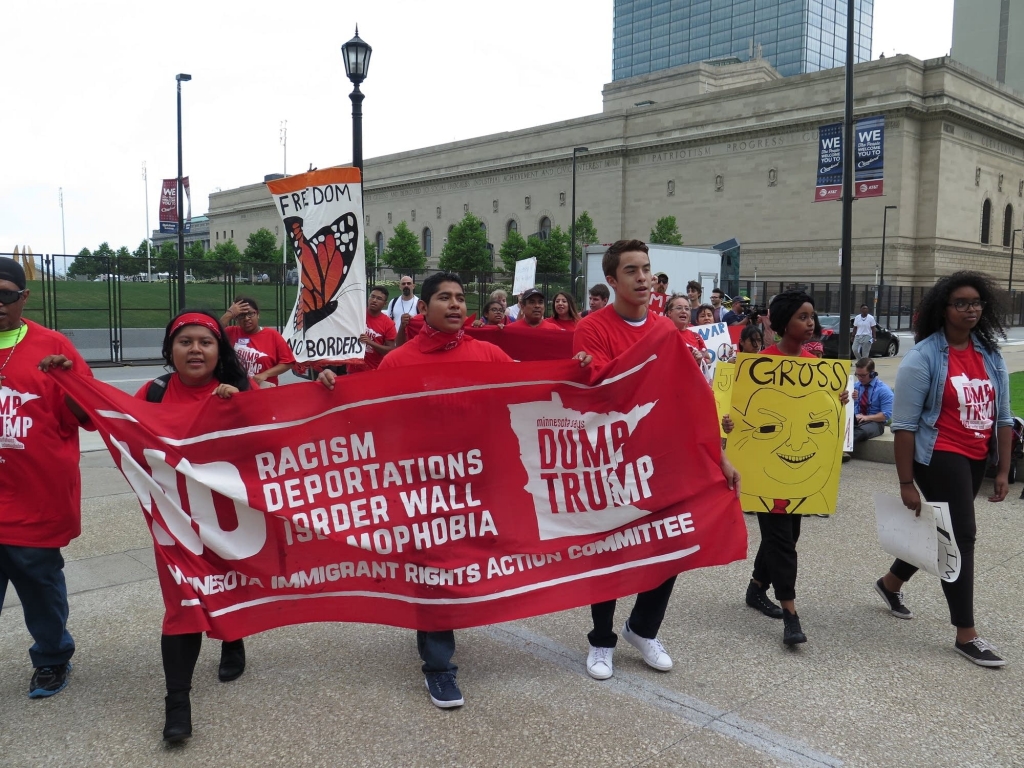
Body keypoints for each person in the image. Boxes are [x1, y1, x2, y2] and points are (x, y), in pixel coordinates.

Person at [319, 273, 590, 708]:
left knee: (467, 563)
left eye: (461, 298)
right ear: (422, 309)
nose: (455, 304)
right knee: (434, 570)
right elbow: (366, 418)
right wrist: (332, 390)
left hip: (478, 483)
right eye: (444, 297)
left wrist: (575, 371)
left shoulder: (487, 354)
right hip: (421, 489)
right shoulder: (398, 363)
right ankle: (439, 667)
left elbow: (534, 384)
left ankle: (436, 625)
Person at [573, 240, 740, 681]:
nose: (643, 278)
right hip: (613, 462)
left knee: (671, 543)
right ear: (612, 281)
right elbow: (602, 396)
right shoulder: (591, 328)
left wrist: (719, 457)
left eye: (646, 268)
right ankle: (601, 640)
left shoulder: (667, 330)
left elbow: (691, 397)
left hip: (664, 456)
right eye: (632, 271)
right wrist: (584, 371)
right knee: (608, 551)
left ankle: (643, 629)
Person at [874, 271, 1011, 667]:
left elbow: (1002, 416)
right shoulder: (924, 357)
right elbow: (903, 426)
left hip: (974, 454)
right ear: (943, 309)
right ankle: (966, 634)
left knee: (942, 530)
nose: (971, 309)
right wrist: (905, 482)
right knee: (962, 536)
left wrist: (1001, 470)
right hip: (937, 453)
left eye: (976, 303)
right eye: (961, 303)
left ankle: (890, 583)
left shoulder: (989, 352)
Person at [142, 310, 257, 742]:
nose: (195, 349)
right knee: (182, 606)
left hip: (230, 516)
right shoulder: (153, 392)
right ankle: (177, 705)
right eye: (185, 341)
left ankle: (233, 637)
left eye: (205, 342)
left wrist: (242, 409)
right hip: (174, 520)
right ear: (170, 350)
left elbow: (275, 440)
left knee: (230, 582)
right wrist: (71, 375)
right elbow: (104, 421)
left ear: (218, 350)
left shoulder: (238, 390)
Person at [722, 289, 848, 646]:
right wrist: (728, 424)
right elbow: (731, 414)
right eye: (802, 317)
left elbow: (824, 413)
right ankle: (791, 614)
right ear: (782, 323)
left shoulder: (816, 364)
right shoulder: (758, 364)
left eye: (812, 317)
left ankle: (757, 587)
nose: (810, 324)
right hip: (766, 468)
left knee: (788, 536)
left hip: (800, 468)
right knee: (782, 542)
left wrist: (840, 400)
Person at [2, 257, 92, 700]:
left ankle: (53, 659)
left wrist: (70, 380)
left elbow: (89, 416)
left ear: (23, 297)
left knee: (40, 590)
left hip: (33, 501)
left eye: (5, 295)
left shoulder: (53, 347)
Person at [220, 296, 296, 385]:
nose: (246, 318)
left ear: (258, 314)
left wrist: (265, 374)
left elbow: (288, 362)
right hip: (237, 388)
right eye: (241, 315)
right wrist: (229, 313)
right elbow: (212, 331)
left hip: (263, 390)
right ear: (236, 319)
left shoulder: (272, 335)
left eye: (250, 314)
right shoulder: (231, 332)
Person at [353, 286, 397, 371]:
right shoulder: (357, 314)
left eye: (379, 298)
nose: (374, 300)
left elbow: (391, 350)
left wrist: (370, 342)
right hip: (352, 369)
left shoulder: (388, 323)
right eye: (372, 296)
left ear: (385, 303)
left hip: (374, 370)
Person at [852, 358, 893, 444]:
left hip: (875, 422)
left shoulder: (884, 390)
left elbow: (886, 414)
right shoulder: (855, 386)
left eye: (863, 375)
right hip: (856, 419)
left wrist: (866, 417)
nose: (859, 378)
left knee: (857, 432)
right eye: (857, 375)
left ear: (872, 373)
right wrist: (850, 399)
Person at [664, 293, 710, 366]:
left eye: (687, 309)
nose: (684, 311)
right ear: (669, 312)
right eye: (679, 308)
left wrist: (700, 359)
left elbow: (708, 361)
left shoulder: (696, 337)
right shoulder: (663, 335)